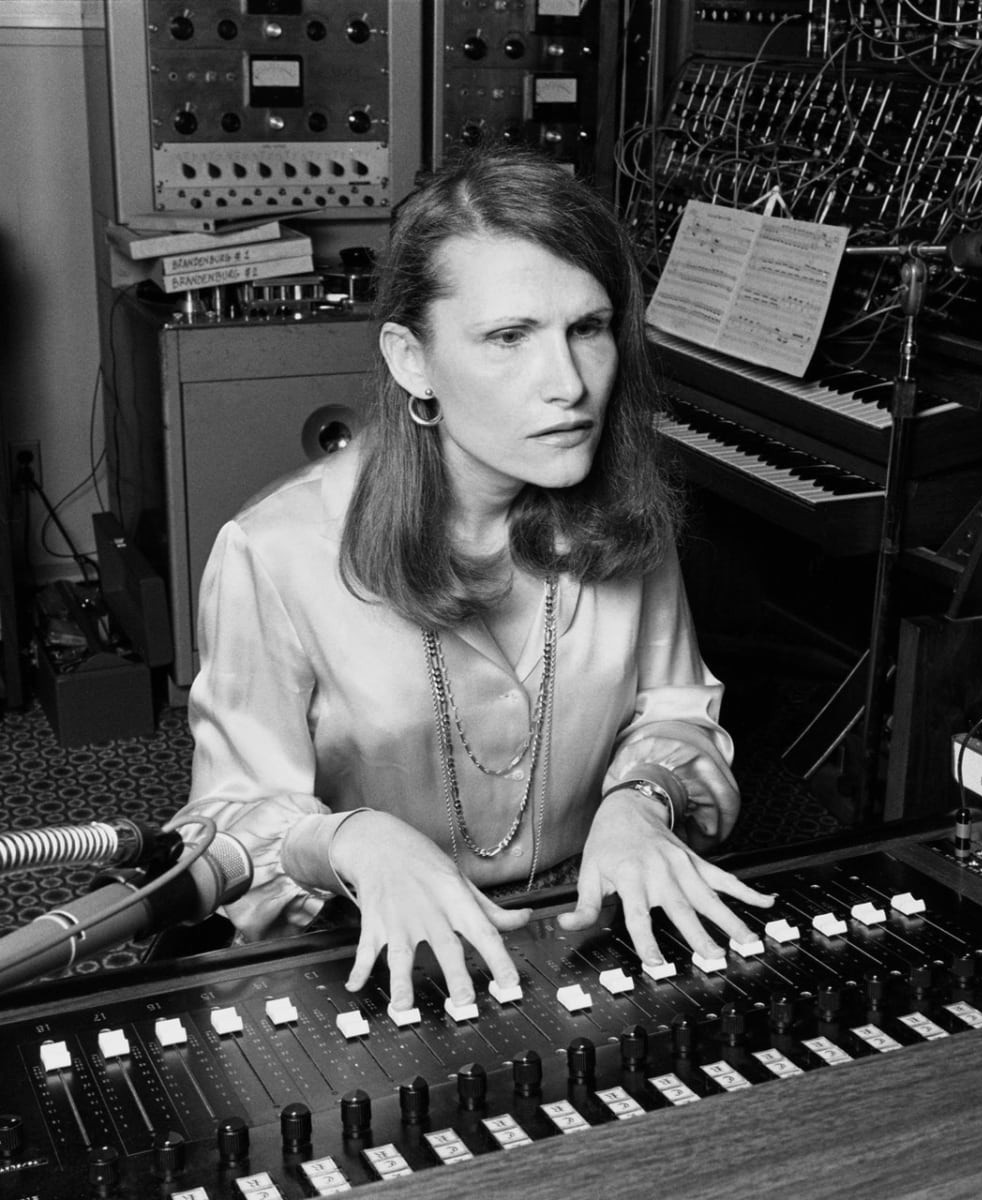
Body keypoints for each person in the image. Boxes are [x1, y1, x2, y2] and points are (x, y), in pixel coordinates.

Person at [171, 147, 773, 1017]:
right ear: (412, 361)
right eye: (508, 337)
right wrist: (353, 841)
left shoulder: (624, 519)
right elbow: (221, 833)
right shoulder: (274, 554)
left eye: (589, 328)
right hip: (366, 953)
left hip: (589, 930)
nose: (568, 385)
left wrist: (645, 801)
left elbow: (677, 713)